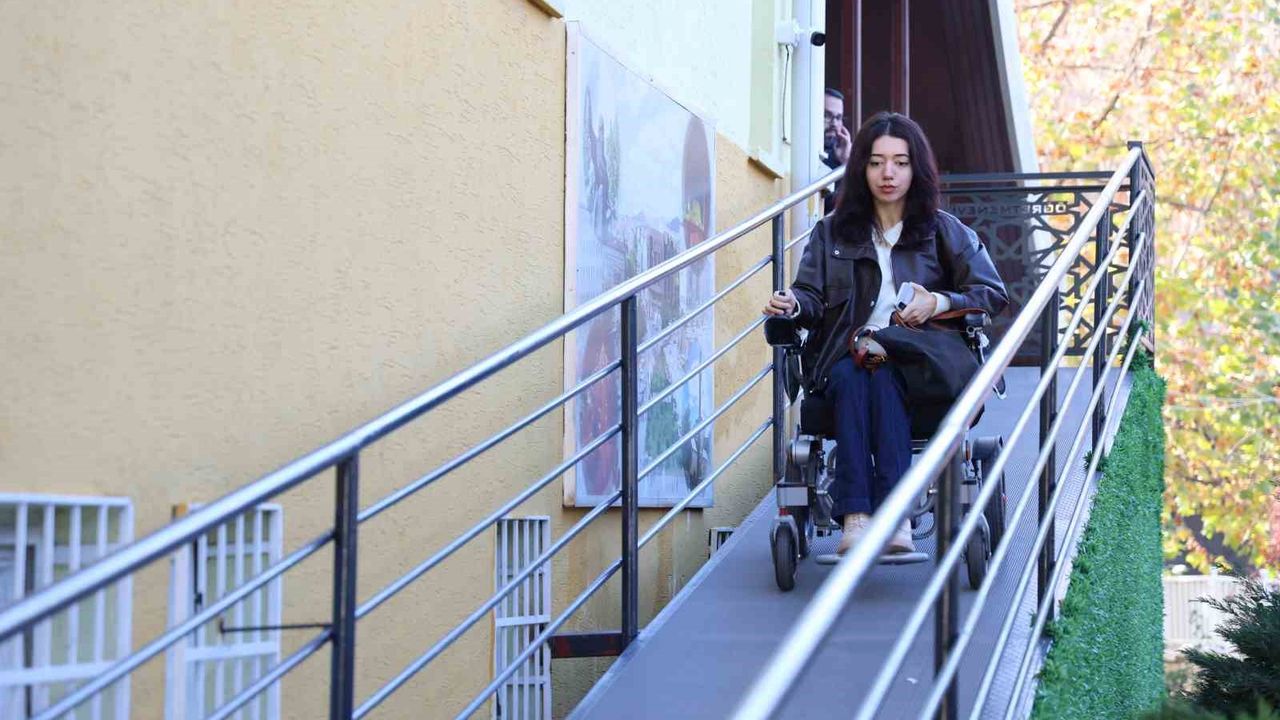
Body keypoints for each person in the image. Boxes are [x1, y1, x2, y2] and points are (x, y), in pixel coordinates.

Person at [762, 111, 1008, 556]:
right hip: (848, 355)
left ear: (916, 169)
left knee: (878, 374)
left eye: (900, 162)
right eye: (876, 162)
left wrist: (939, 302)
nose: (888, 173)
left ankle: (864, 518)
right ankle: (878, 518)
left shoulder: (942, 231)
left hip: (919, 360)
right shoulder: (832, 233)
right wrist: (793, 304)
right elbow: (810, 294)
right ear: (861, 168)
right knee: (861, 373)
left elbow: (991, 292)